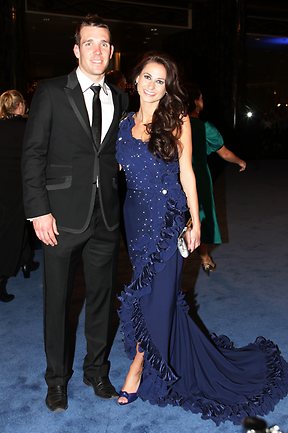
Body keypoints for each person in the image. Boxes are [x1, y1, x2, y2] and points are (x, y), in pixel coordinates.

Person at [115, 52, 288, 424]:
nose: (152, 86)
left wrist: (194, 220)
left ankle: (139, 366)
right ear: (135, 80)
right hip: (134, 222)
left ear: (168, 87)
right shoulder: (123, 125)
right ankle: (168, 355)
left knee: (158, 295)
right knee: (147, 294)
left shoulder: (177, 121)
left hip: (167, 220)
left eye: (160, 81)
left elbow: (187, 174)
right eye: (147, 77)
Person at [22, 15, 129, 412]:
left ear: (112, 51)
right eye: (90, 43)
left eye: (104, 43)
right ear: (76, 49)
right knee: (58, 301)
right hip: (60, 217)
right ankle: (56, 379)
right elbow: (32, 154)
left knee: (102, 297)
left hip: (105, 215)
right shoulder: (51, 92)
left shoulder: (119, 97)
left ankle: (96, 370)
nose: (98, 50)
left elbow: (114, 153)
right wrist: (38, 211)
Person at [190, 87, 247, 274]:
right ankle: (205, 257)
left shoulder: (172, 124)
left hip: (174, 177)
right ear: (197, 101)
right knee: (201, 215)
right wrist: (240, 161)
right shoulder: (204, 127)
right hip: (198, 177)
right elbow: (224, 153)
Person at [0, 90, 38, 302]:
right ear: (21, 106)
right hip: (20, 186)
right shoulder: (27, 128)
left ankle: (26, 260)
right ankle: (1, 278)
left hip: (3, 186)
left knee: (17, 226)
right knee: (11, 231)